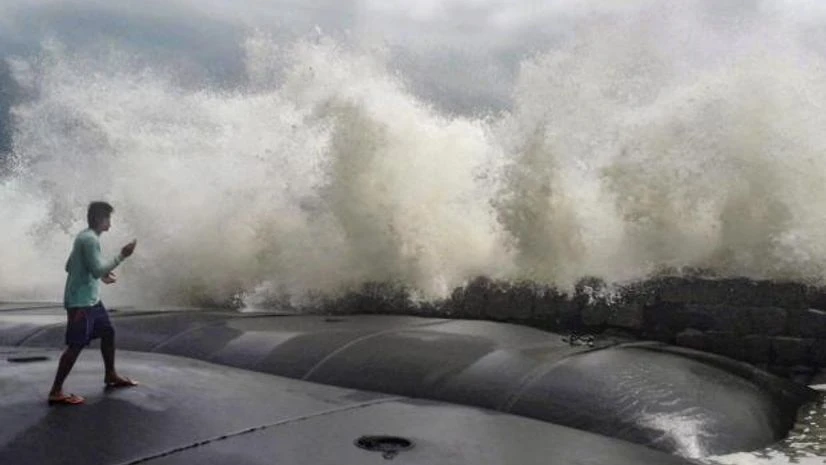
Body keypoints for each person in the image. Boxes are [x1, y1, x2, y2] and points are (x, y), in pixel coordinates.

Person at [47, 201, 138, 405]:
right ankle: (56, 390)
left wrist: (101, 273)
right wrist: (122, 255)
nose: (110, 224)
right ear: (99, 219)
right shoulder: (90, 240)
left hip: (91, 300)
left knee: (108, 332)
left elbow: (70, 265)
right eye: (108, 219)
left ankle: (111, 375)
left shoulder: (84, 236)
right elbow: (95, 269)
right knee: (76, 345)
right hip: (82, 303)